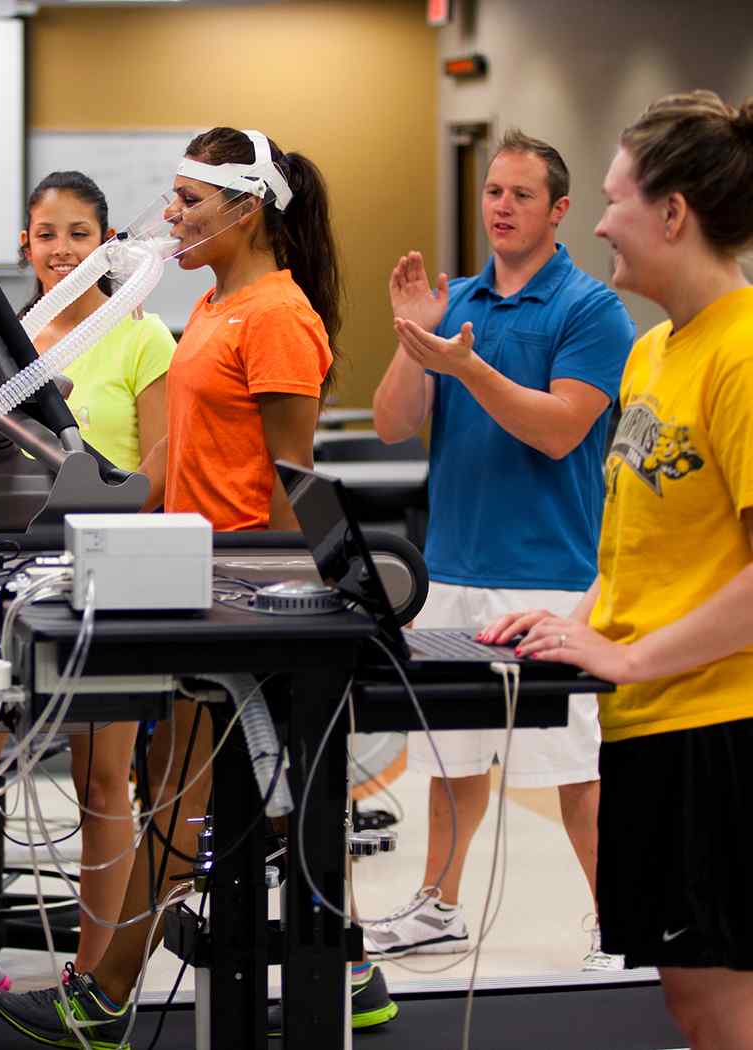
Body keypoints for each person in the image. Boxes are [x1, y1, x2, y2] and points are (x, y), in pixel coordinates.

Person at [0, 127, 396, 1047]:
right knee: (198, 792)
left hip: (247, 587)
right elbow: (190, 460)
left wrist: (266, 610)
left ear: (246, 210)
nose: (167, 217)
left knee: (182, 795)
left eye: (187, 201)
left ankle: (106, 997)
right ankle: (353, 969)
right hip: (196, 576)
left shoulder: (279, 317)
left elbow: (294, 492)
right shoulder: (215, 306)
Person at [483, 90, 753, 1050]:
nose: (596, 222)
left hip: (715, 725)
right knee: (689, 994)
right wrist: (577, 620)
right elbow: (637, 538)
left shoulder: (743, 354)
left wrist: (632, 659)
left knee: (723, 1001)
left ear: (673, 213)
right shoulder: (649, 355)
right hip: (646, 720)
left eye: (612, 199)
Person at [367, 130, 635, 969]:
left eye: (521, 195)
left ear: (560, 211)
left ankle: (620, 924)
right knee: (453, 761)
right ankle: (439, 906)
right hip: (453, 567)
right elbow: (391, 423)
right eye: (493, 193)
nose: (502, 208)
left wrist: (468, 367)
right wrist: (415, 337)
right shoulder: (459, 302)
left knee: (573, 773)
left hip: (550, 577)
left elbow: (559, 432)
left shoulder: (593, 310)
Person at [0, 170, 175, 999]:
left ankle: (97, 976)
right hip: (9, 574)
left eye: (78, 231)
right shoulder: (5, 344)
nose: (61, 247)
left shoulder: (142, 338)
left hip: (110, 568)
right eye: (46, 233)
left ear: (107, 244)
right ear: (24, 247)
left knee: (104, 777)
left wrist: (114, 511)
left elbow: (165, 463)